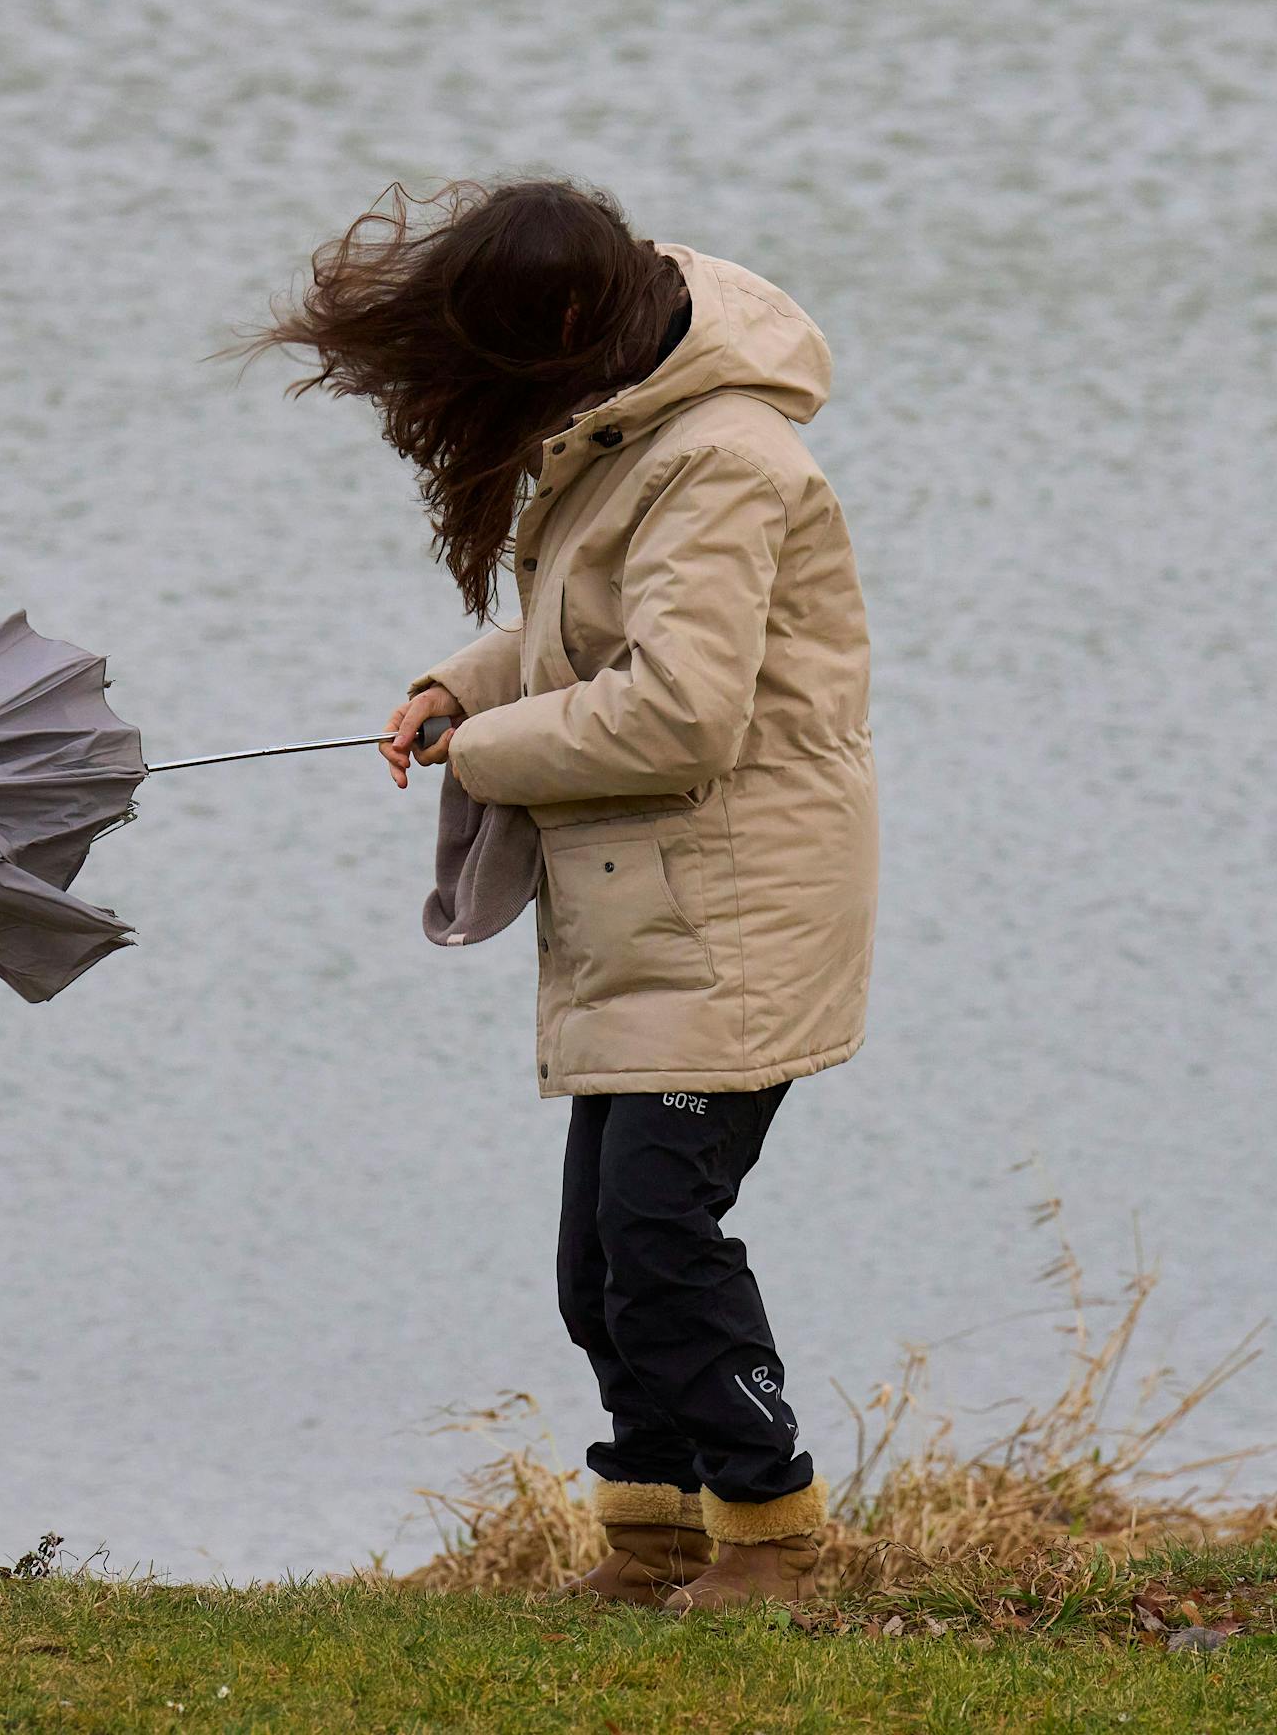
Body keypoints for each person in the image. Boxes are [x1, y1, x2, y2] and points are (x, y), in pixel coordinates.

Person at [246, 179, 877, 1612]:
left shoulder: (725, 460)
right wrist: (455, 684)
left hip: (737, 914)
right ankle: (652, 1542)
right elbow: (578, 626)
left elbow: (680, 714)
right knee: (599, 1263)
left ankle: (773, 1541)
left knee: (662, 1239)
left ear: (582, 326)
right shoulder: (632, 415)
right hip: (649, 908)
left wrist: (491, 748)